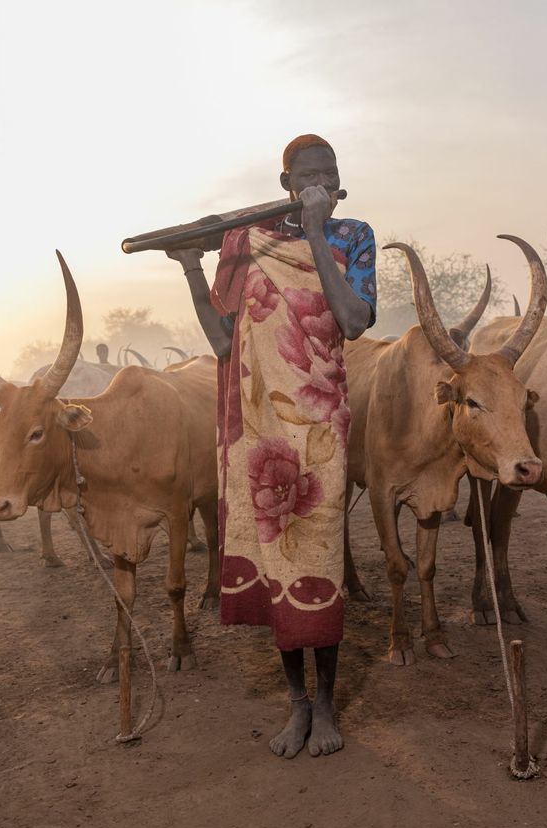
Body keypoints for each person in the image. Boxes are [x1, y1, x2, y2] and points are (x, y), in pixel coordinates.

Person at [167, 134, 375, 758]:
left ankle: (330, 706)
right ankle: (297, 704)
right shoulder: (242, 242)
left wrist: (315, 233)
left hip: (320, 424)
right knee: (279, 561)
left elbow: (356, 322)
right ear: (285, 183)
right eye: (306, 175)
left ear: (338, 185)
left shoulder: (351, 236)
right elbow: (225, 344)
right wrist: (191, 267)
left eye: (329, 175)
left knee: (320, 559)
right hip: (259, 427)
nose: (319, 183)